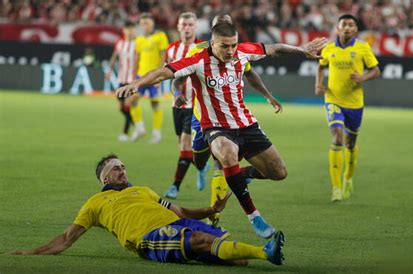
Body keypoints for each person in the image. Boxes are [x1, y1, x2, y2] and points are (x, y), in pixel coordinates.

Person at [116, 22, 327, 239]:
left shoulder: (242, 52)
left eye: (233, 45)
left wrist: (303, 50)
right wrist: (138, 84)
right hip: (215, 127)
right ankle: (254, 216)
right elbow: (163, 72)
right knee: (226, 152)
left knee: (279, 173)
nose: (230, 51)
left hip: (246, 124)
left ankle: (240, 175)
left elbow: (275, 49)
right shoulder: (198, 59)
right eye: (225, 46)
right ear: (212, 43)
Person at [10, 155, 285, 266]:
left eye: (123, 166)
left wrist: (210, 208)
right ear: (104, 179)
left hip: (177, 226)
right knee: (206, 242)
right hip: (149, 237)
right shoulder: (94, 203)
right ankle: (267, 252)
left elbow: (180, 211)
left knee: (238, 260)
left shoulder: (143, 190)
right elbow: (66, 238)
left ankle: (241, 253)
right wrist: (31, 252)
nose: (122, 170)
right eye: (115, 168)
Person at [175, 14, 283, 228]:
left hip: (226, 120)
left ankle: (214, 219)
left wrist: (268, 95)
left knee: (222, 160)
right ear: (214, 33)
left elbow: (250, 74)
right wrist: (177, 92)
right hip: (201, 116)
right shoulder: (198, 51)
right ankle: (216, 175)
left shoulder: (236, 51)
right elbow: (179, 75)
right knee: (199, 163)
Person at [315, 14, 380, 202]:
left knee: (350, 144)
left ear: (355, 30)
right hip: (333, 99)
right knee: (337, 138)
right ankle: (336, 188)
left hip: (355, 103)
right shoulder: (328, 48)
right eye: (344, 24)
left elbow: (376, 70)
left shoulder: (362, 47)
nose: (347, 28)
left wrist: (362, 78)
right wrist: (319, 84)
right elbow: (321, 67)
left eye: (351, 25)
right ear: (337, 28)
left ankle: (348, 178)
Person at [163, 12, 208, 197]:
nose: (187, 27)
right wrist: (175, 92)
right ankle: (201, 166)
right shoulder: (171, 49)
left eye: (190, 24)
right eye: (184, 24)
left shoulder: (203, 46)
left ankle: (175, 186)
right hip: (177, 104)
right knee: (183, 147)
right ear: (178, 27)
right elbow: (167, 74)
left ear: (195, 26)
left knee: (185, 144)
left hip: (196, 105)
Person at [129, 13, 169, 143]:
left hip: (154, 76)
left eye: (146, 23)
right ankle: (140, 128)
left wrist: (161, 75)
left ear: (152, 23)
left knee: (155, 103)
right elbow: (137, 58)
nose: (144, 26)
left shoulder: (160, 36)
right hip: (141, 76)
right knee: (132, 101)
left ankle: (157, 133)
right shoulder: (139, 39)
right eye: (142, 24)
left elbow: (164, 56)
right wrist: (134, 77)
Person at [105, 21, 137, 141]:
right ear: (124, 30)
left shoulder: (137, 43)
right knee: (121, 107)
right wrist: (109, 71)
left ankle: (125, 133)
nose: (129, 31)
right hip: (121, 78)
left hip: (132, 80)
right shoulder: (120, 43)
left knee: (128, 106)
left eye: (132, 29)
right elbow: (114, 57)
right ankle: (137, 127)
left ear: (134, 30)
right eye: (127, 29)